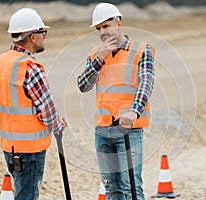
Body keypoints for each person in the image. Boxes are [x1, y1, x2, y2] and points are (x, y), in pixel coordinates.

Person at [77, 3, 155, 199]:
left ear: (118, 23)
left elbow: (146, 84)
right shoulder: (96, 54)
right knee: (112, 188)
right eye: (99, 29)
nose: (103, 32)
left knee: (132, 187)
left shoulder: (141, 50)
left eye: (106, 26)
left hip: (129, 129)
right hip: (103, 131)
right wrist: (99, 60)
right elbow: (82, 86)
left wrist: (134, 112)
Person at [0, 8, 66, 200]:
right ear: (33, 36)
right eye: (43, 32)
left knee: (22, 193)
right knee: (28, 196)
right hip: (30, 148)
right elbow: (47, 110)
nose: (44, 37)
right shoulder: (30, 67)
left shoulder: (1, 62)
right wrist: (58, 124)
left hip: (10, 144)